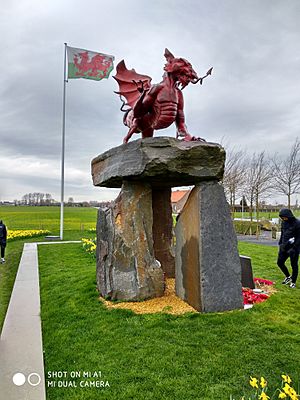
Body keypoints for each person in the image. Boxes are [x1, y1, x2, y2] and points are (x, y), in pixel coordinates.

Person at [277, 209, 300, 289]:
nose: (283, 219)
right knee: (280, 262)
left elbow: (299, 238)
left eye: (284, 217)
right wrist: (280, 243)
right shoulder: (283, 223)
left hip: (294, 248)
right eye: (282, 218)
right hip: (284, 246)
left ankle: (293, 282)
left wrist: (294, 248)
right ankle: (288, 276)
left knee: (294, 265)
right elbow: (283, 234)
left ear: (289, 216)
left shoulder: (297, 223)